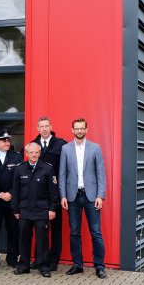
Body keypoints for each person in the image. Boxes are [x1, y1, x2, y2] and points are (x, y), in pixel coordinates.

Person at [59, 118, 108, 279]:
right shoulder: (65, 149)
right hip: (72, 196)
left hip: (91, 196)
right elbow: (62, 174)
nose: (79, 131)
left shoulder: (95, 148)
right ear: (72, 130)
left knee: (96, 232)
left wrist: (100, 196)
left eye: (82, 128)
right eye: (76, 129)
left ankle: (100, 266)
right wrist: (63, 196)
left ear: (86, 130)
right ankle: (77, 265)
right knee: (74, 232)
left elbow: (101, 173)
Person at [12, 142, 58, 278]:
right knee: (23, 239)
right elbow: (16, 191)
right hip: (24, 210)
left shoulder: (47, 169)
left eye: (36, 152)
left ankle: (43, 266)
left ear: (40, 153)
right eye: (31, 152)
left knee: (42, 240)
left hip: (41, 211)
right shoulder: (19, 169)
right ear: (26, 154)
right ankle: (24, 265)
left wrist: (52, 209)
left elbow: (53, 192)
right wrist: (15, 210)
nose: (34, 155)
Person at [27, 116, 67, 270]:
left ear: (51, 126)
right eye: (41, 126)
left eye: (46, 126)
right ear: (38, 128)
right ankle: (39, 259)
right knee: (39, 228)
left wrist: (62, 193)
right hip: (37, 193)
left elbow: (65, 169)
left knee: (55, 228)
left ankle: (53, 260)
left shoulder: (61, 145)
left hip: (54, 192)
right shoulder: (33, 144)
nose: (44, 129)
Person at [0, 128, 22, 268]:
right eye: (4, 140)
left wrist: (10, 193)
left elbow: (19, 179)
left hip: (11, 200)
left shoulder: (16, 157)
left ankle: (12, 258)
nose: (7, 142)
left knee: (13, 229)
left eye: (8, 140)